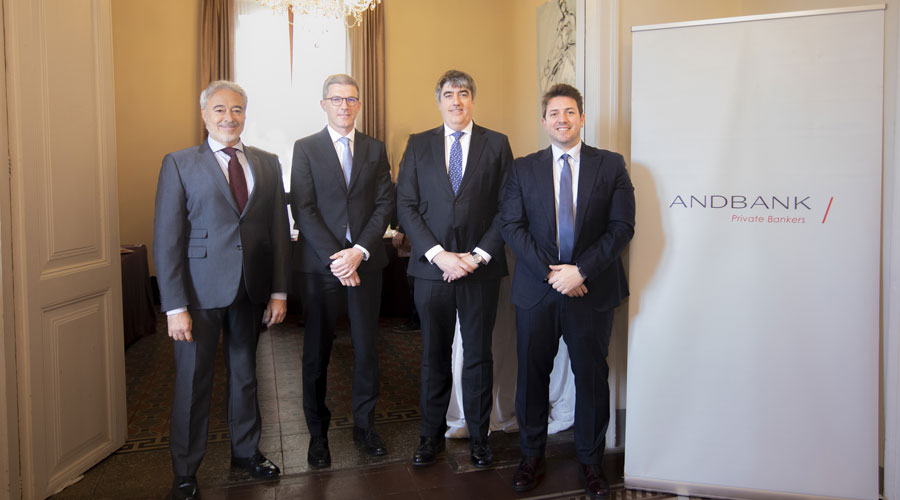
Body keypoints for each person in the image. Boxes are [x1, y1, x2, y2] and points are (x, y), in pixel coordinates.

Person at [154, 80, 290, 500]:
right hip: (196, 295)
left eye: (236, 110)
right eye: (219, 110)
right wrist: (174, 305)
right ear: (204, 115)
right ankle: (186, 470)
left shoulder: (267, 163)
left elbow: (278, 234)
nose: (229, 118)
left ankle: (246, 452)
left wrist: (280, 292)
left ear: (245, 114)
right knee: (194, 383)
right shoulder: (179, 164)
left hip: (250, 290)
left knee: (246, 378)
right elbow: (167, 239)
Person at [499, 83, 635, 499]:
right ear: (544, 121)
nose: (562, 119)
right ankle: (531, 456)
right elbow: (511, 226)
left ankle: (591, 464)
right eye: (554, 113)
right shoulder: (523, 168)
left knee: (591, 379)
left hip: (591, 292)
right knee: (532, 378)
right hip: (537, 292)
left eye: (570, 111)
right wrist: (553, 274)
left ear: (582, 117)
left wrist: (581, 272)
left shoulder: (610, 165)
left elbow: (621, 228)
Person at [396, 69, 513, 468]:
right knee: (433, 355)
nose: (456, 101)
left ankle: (480, 437)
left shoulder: (496, 145)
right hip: (431, 271)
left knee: (479, 356)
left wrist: (477, 256)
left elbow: (506, 208)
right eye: (449, 94)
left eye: (464, 94)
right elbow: (406, 206)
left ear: (473, 100)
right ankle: (431, 437)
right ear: (439, 100)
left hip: (480, 271)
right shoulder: (418, 145)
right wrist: (439, 254)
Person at [290, 74, 394, 468]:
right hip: (320, 267)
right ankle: (317, 433)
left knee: (368, 349)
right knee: (317, 351)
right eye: (336, 100)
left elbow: (385, 203)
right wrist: (339, 257)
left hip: (367, 264)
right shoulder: (306, 148)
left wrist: (360, 252)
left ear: (359, 104)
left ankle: (364, 426)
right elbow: (303, 208)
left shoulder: (374, 148)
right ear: (323, 104)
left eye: (351, 99)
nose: (344, 106)